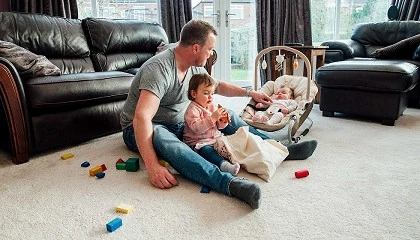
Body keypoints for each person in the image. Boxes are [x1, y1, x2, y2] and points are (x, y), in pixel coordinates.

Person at [120, 19, 317, 209]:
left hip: (183, 123)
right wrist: (152, 165)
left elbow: (217, 86)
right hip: (140, 129)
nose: (211, 54)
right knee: (163, 136)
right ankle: (228, 183)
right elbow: (142, 118)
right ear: (196, 48)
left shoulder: (193, 64)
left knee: (227, 113)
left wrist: (250, 93)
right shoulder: (159, 69)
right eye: (210, 49)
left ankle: (279, 147)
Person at [183, 73, 240, 176]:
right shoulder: (192, 110)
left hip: (215, 138)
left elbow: (218, 127)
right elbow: (197, 128)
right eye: (206, 93)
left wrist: (223, 122)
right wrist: (212, 118)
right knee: (208, 152)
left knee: (230, 143)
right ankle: (225, 166)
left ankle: (238, 158)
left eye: (212, 93)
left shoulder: (211, 106)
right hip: (198, 143)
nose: (210, 97)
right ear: (194, 94)